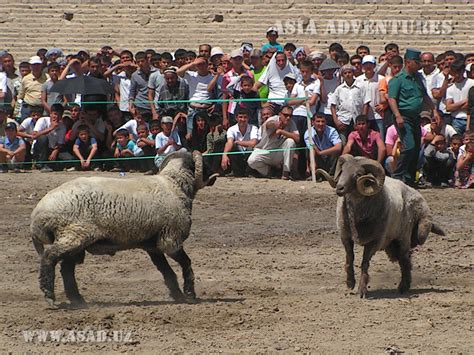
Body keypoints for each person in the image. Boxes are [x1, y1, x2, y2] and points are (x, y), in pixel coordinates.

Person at [388, 48, 440, 187]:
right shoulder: (397, 79)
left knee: (416, 148)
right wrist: (397, 115)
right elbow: (392, 99)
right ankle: (398, 175)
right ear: (408, 62)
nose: (419, 65)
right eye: (417, 62)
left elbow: (424, 96)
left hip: (415, 117)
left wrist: (434, 110)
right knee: (409, 146)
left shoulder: (417, 78)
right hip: (403, 117)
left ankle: (409, 179)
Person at [247, 105, 299, 180]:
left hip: (279, 152)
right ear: (280, 114)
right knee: (251, 161)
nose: (288, 118)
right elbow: (268, 124)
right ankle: (270, 172)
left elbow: (297, 138)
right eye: (286, 115)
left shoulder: (291, 123)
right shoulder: (273, 119)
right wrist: (275, 124)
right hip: (265, 151)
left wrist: (282, 131)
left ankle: (286, 172)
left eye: (290, 116)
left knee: (290, 142)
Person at [176, 56, 214, 139]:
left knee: (207, 135)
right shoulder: (191, 75)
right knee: (190, 135)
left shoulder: (212, 76)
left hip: (206, 109)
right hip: (193, 108)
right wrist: (193, 63)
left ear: (207, 65)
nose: (201, 66)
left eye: (203, 64)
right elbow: (178, 72)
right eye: (199, 64)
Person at [330, 64, 370, 141]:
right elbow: (333, 105)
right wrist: (336, 121)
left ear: (353, 73)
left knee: (357, 142)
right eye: (345, 73)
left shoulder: (361, 87)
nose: (347, 75)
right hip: (343, 120)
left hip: (357, 120)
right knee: (343, 142)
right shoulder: (339, 89)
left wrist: (363, 119)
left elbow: (366, 103)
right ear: (342, 75)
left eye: (349, 72)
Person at [32, 103, 72, 172]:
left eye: (59, 115)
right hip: (40, 148)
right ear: (50, 114)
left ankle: (52, 164)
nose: (56, 117)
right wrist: (51, 128)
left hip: (53, 148)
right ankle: (42, 163)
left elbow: (60, 143)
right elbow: (34, 135)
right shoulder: (42, 120)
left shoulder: (62, 127)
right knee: (43, 138)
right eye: (55, 114)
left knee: (70, 159)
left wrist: (55, 152)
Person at [221, 108, 258, 177]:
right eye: (240, 117)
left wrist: (238, 142)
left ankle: (249, 172)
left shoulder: (254, 128)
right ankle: (236, 172)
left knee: (253, 148)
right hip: (238, 156)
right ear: (236, 118)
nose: (243, 120)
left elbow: (253, 143)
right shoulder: (231, 129)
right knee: (232, 147)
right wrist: (224, 155)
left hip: (249, 155)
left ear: (248, 118)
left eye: (245, 117)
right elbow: (229, 142)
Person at [356, 55, 385, 138]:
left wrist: (384, 105)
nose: (368, 66)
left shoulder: (381, 79)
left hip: (378, 115)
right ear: (363, 66)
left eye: (370, 64)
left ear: (374, 65)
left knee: (380, 139)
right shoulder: (358, 80)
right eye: (366, 64)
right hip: (363, 116)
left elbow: (387, 94)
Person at [445, 60, 474, 135]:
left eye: (459, 72)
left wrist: (455, 107)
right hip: (456, 120)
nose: (457, 75)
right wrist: (466, 101)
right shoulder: (450, 88)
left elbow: (470, 105)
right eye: (455, 72)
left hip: (470, 119)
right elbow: (448, 108)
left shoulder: (471, 83)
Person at [129, 51, 156, 121]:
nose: (140, 64)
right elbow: (132, 91)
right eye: (138, 62)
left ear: (147, 60)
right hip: (141, 106)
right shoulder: (135, 75)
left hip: (156, 105)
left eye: (142, 61)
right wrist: (131, 104)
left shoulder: (157, 72)